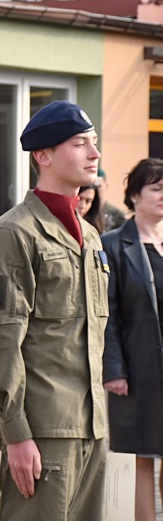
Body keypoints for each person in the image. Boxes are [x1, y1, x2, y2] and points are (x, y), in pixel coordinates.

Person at [0, 100, 108, 520]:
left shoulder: (89, 236)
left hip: (91, 425)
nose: (94, 153)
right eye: (79, 143)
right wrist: (15, 433)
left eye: (94, 142)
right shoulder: (13, 234)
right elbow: (1, 342)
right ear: (43, 156)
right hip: (43, 429)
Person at [102, 157, 163, 521]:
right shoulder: (114, 245)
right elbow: (108, 314)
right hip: (137, 369)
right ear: (135, 195)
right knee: (139, 453)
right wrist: (114, 369)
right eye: (156, 189)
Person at [97, 168, 127, 232]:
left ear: (106, 186)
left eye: (99, 186)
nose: (96, 190)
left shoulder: (118, 215)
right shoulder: (83, 211)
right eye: (93, 186)